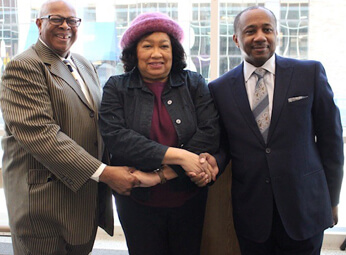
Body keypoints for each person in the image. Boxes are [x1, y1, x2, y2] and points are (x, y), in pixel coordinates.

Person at [0, 0, 140, 254]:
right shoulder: (23, 66)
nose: (65, 26)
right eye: (56, 19)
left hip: (82, 202)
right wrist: (105, 173)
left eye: (72, 21)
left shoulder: (84, 64)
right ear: (39, 23)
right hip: (44, 208)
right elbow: (41, 135)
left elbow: (98, 122)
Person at [202, 5, 344, 255]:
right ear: (236, 39)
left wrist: (331, 200)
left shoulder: (308, 73)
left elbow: (331, 141)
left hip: (305, 207)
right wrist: (214, 161)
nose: (260, 36)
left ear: (277, 34)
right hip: (253, 212)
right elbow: (224, 144)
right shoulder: (219, 88)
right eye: (250, 31)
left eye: (267, 29)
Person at [98, 12, 220, 255]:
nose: (156, 53)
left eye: (164, 46)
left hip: (189, 198)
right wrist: (180, 156)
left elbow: (209, 132)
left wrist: (160, 175)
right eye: (147, 46)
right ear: (134, 52)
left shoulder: (194, 82)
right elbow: (117, 138)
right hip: (136, 201)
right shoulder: (116, 86)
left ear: (173, 51)